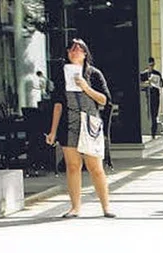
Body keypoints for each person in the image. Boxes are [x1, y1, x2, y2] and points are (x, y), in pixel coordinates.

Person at [46, 38, 114, 218]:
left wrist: (85, 87)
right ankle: (75, 207)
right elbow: (58, 104)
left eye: (78, 49)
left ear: (85, 53)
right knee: (73, 166)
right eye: (71, 49)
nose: (74, 52)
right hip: (69, 124)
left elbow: (104, 100)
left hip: (90, 124)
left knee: (95, 167)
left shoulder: (94, 74)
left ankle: (106, 206)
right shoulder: (62, 74)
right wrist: (53, 131)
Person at [140, 56, 163, 138]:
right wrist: (146, 84)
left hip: (155, 96)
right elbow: (139, 85)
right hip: (147, 96)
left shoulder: (157, 73)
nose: (151, 67)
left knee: (154, 114)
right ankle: (148, 131)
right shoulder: (143, 74)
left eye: (153, 65)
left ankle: (153, 133)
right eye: (150, 65)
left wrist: (159, 83)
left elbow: (162, 84)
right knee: (148, 114)